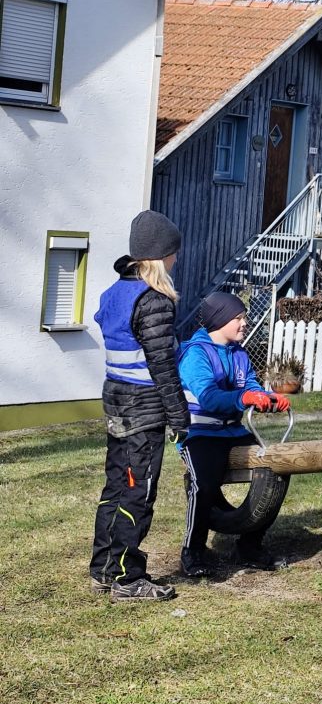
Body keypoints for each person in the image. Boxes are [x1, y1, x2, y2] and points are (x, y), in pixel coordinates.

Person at [90, 211, 189, 602]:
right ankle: (127, 579)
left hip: (115, 402)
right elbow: (162, 365)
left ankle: (103, 568)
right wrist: (180, 416)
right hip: (144, 409)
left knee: (115, 486)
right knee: (138, 491)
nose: (176, 260)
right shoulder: (154, 301)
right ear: (160, 256)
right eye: (173, 253)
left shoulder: (114, 293)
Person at [176, 292, 291, 577]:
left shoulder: (239, 353)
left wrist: (271, 397)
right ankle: (193, 551)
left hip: (233, 432)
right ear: (219, 320)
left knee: (277, 467)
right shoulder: (196, 354)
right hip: (199, 434)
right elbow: (210, 397)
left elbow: (251, 385)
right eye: (238, 319)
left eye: (244, 318)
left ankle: (249, 546)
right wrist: (245, 398)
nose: (244, 324)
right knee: (203, 485)